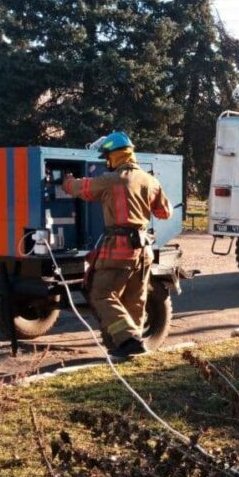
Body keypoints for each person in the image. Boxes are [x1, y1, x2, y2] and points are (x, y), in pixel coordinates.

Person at [62, 131, 172, 358]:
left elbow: (81, 189)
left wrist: (66, 181)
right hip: (143, 251)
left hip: (119, 249)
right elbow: (165, 212)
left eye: (107, 157)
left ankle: (129, 339)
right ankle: (128, 347)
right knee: (133, 300)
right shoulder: (150, 180)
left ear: (115, 155)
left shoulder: (112, 180)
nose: (106, 161)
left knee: (101, 294)